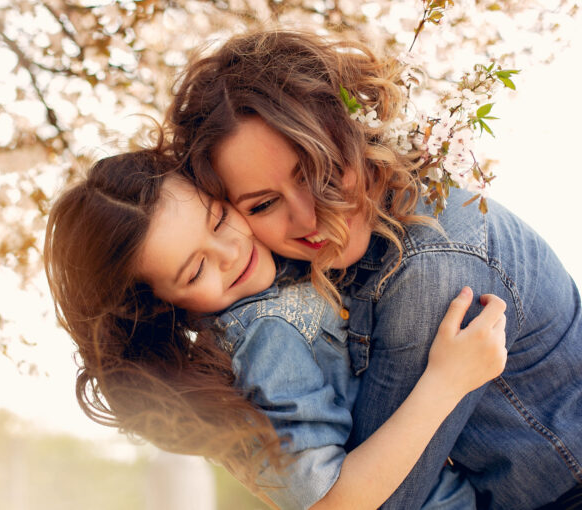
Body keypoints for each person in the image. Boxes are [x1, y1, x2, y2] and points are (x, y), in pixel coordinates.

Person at [168, 29, 582, 509]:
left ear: (357, 134)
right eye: (263, 204)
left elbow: (386, 500)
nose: (309, 217)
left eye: (319, 171)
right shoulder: (331, 259)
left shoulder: (428, 268)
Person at [44, 147, 508, 509]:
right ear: (163, 308)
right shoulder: (266, 337)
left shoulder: (274, 278)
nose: (228, 253)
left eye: (220, 219)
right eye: (194, 271)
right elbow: (330, 502)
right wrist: (447, 382)